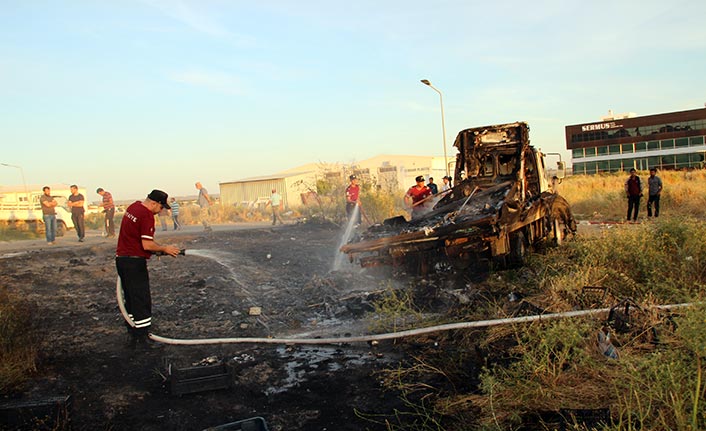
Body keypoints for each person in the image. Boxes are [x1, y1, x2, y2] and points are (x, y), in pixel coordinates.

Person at [115, 190, 180, 346]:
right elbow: (147, 244)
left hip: (122, 260)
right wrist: (164, 248)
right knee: (141, 299)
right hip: (134, 263)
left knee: (130, 298)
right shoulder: (146, 215)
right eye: (160, 207)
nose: (161, 211)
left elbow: (136, 238)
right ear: (154, 203)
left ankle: (133, 331)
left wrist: (156, 249)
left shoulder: (134, 207)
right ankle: (143, 337)